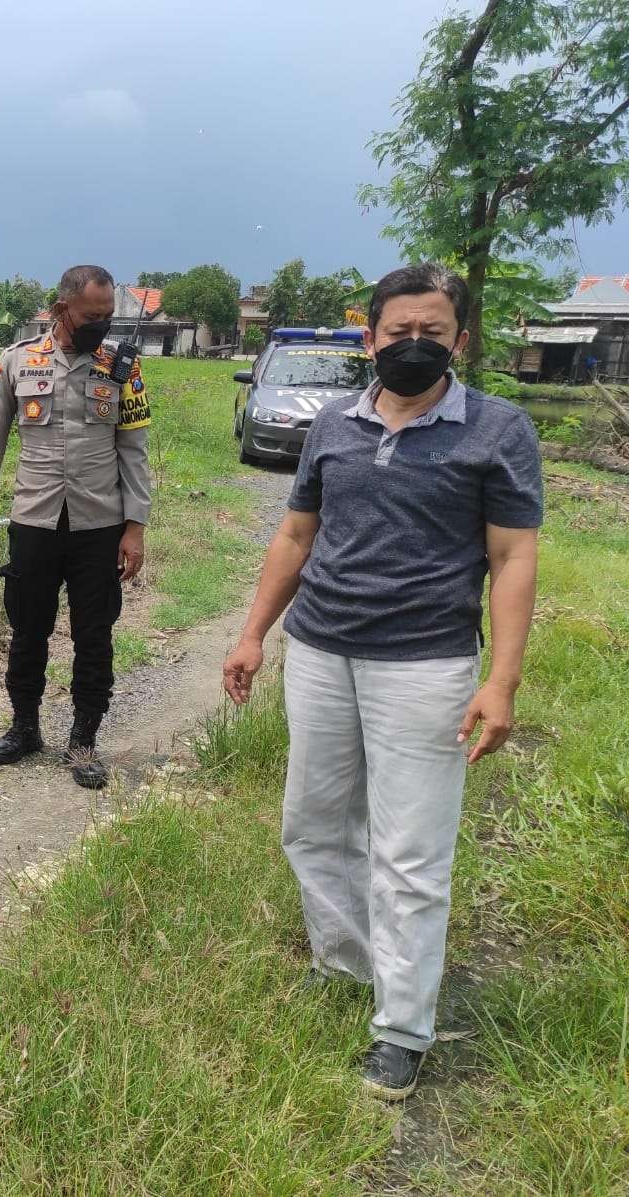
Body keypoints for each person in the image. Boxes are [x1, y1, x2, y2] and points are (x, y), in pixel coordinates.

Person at [222, 263, 542, 1100]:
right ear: (371, 337)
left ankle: (402, 1027)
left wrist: (501, 679)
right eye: (397, 332)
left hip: (426, 664)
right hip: (322, 651)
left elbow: (512, 557)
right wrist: (254, 633)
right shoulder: (333, 422)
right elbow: (296, 534)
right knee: (316, 824)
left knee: (409, 851)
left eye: (431, 332)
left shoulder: (498, 432)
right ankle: (344, 963)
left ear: (459, 340)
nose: (412, 345)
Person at [0, 265, 151, 789]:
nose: (102, 325)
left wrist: (135, 528)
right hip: (34, 521)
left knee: (94, 636)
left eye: (109, 316)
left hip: (99, 526)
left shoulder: (122, 368)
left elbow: (134, 453)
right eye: (93, 316)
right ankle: (25, 728)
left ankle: (83, 740)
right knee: (27, 631)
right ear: (62, 309)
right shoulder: (18, 362)